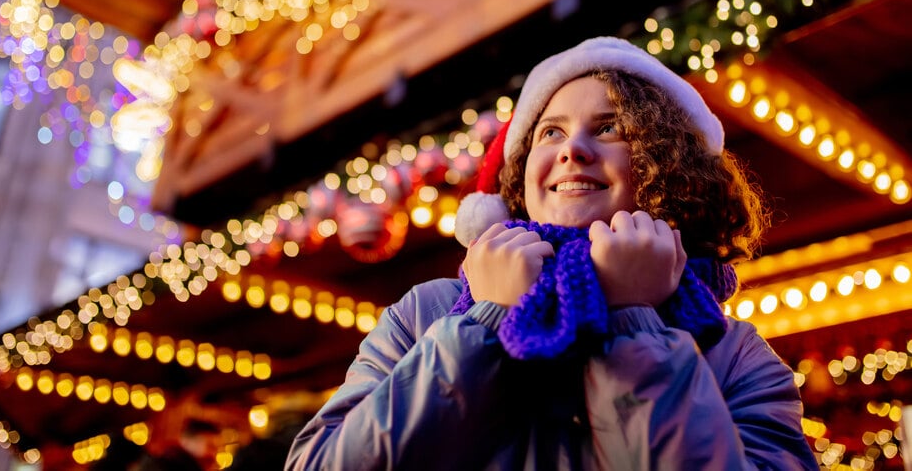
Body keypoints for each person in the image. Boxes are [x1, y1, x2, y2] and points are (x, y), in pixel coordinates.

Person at [285, 36, 818, 470]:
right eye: (550, 132)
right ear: (520, 176)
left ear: (668, 167)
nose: (571, 149)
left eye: (609, 128)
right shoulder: (426, 314)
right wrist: (484, 324)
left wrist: (635, 324)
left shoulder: (736, 355)